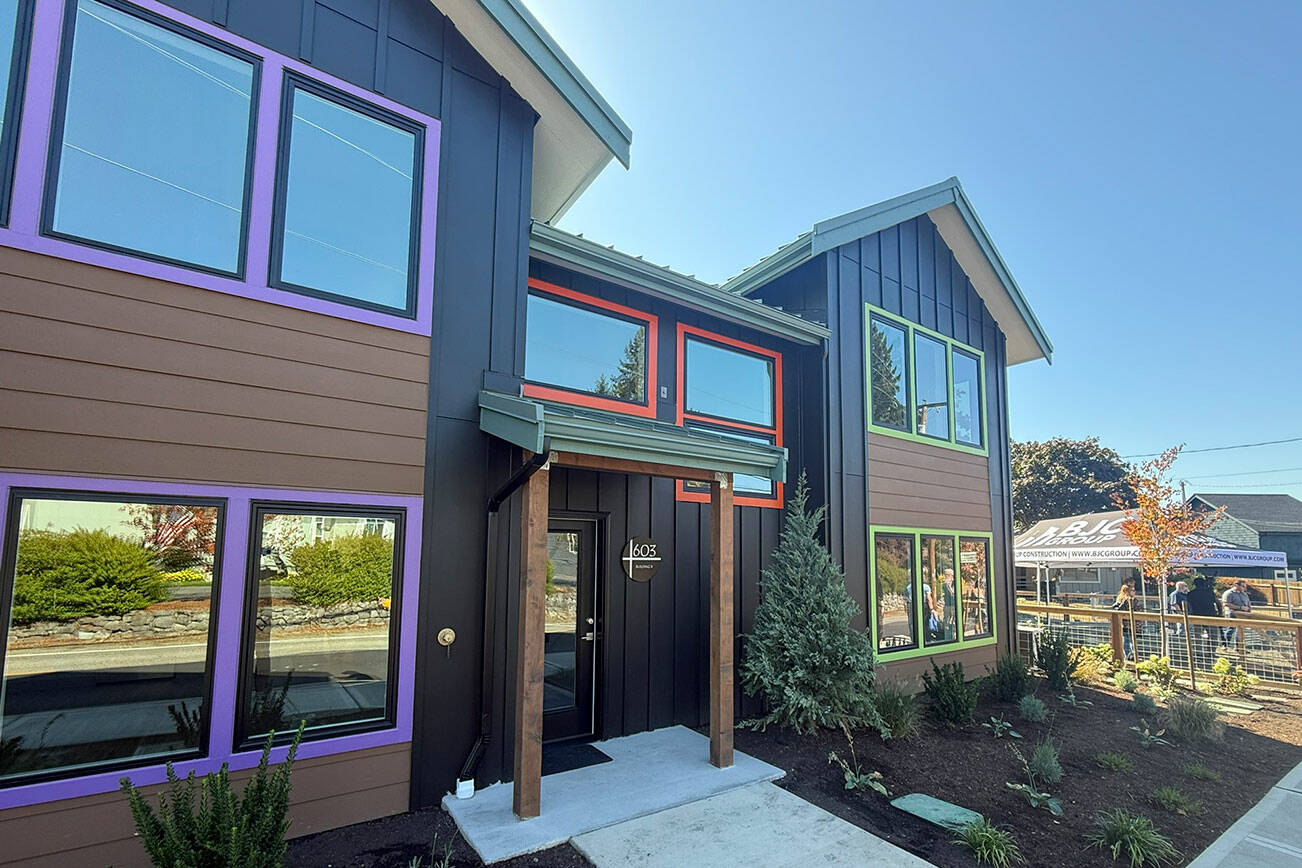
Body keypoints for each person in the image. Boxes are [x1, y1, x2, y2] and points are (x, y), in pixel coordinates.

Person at [1187, 575, 1221, 667]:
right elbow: (1217, 603)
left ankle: (1198, 653)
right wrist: (1220, 614)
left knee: (1197, 636)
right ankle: (1211, 653)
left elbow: (1189, 606)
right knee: (1213, 636)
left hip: (1196, 616)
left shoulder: (1190, 594)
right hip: (1210, 616)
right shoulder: (1209, 592)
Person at [1221, 579, 1253, 647]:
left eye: (1245, 586)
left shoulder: (1244, 594)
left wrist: (1249, 611)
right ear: (1236, 585)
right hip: (1232, 613)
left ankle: (1238, 647)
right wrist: (1240, 607)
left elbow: (1248, 603)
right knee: (1231, 629)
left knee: (1240, 631)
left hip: (1243, 614)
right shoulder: (1229, 593)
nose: (1244, 588)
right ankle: (1225, 644)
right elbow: (1226, 604)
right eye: (1243, 586)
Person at [1112, 578, 1137, 659]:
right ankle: (1128, 655)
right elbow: (1118, 608)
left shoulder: (1134, 600)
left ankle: (1131, 654)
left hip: (1133, 623)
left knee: (1130, 640)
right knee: (1127, 639)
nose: (1134, 591)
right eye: (1132, 589)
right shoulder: (1123, 599)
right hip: (1126, 623)